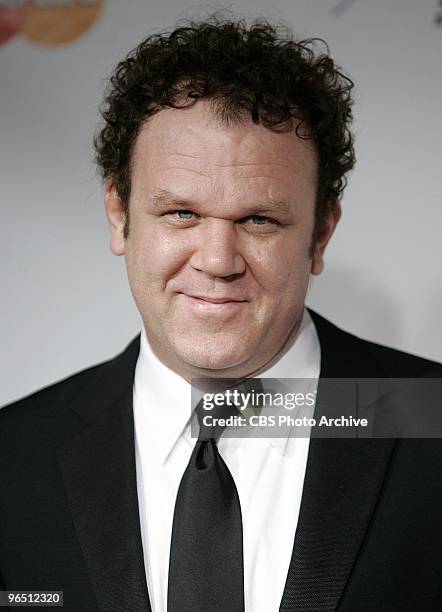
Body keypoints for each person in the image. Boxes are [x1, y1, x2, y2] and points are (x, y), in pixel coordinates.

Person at [0, 17, 441, 612]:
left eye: (259, 220)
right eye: (180, 212)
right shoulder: (13, 455)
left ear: (320, 234)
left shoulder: (429, 419)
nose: (216, 260)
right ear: (118, 213)